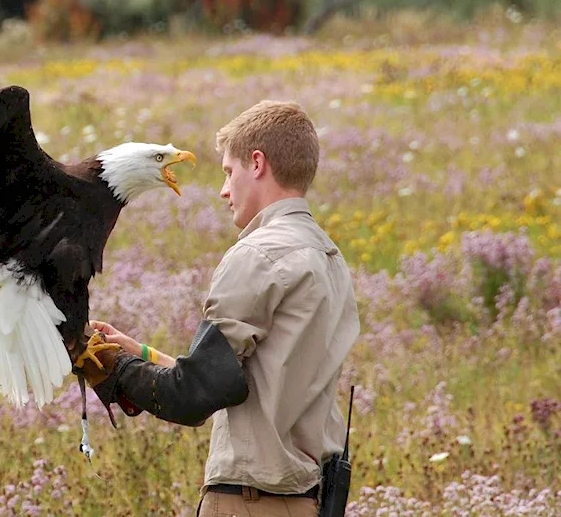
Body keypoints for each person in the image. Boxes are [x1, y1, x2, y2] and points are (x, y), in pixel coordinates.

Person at [80, 100, 361, 517]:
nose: (224, 189)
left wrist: (106, 366)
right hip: (306, 501)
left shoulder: (257, 255)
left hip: (249, 503)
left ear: (258, 163)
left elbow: (192, 394)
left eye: (229, 172)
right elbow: (242, 382)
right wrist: (136, 353)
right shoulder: (328, 257)